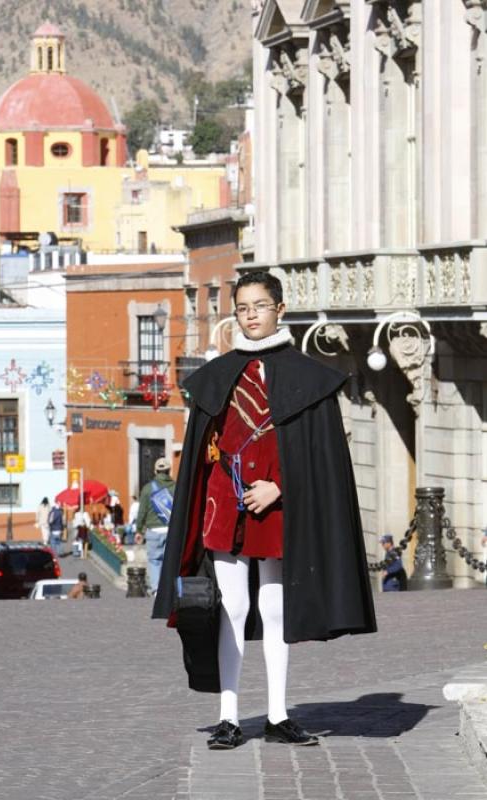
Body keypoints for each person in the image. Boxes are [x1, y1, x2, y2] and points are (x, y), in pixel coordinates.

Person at [153, 270, 376, 750]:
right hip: (223, 505)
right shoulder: (216, 376)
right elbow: (203, 449)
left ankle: (277, 715)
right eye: (242, 308)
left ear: (280, 309)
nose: (251, 315)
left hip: (279, 509)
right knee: (230, 606)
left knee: (275, 608)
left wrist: (281, 488)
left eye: (259, 305)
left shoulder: (309, 379)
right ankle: (229, 716)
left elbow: (320, 460)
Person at [135, 458, 176, 596]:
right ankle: (170, 588)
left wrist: (139, 529)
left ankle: (157, 590)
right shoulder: (176, 487)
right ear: (169, 470)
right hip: (172, 530)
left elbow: (142, 512)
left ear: (155, 471)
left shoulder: (147, 489)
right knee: (170, 560)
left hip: (153, 530)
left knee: (154, 561)